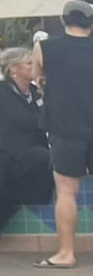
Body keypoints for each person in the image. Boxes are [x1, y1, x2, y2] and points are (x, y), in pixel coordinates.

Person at [33, 0, 93, 267]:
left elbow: (39, 79)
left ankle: (66, 253)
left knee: (66, 192)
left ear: (64, 21)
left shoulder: (45, 47)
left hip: (64, 127)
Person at [0, 47, 52, 237]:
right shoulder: (3, 92)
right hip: (12, 153)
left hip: (33, 150)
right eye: (29, 63)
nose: (34, 67)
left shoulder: (34, 90)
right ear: (14, 69)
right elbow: (27, 121)